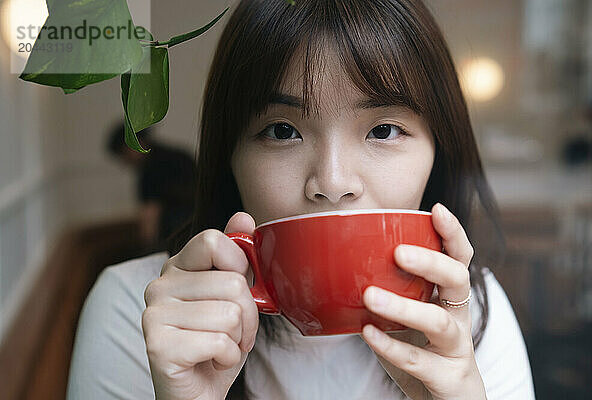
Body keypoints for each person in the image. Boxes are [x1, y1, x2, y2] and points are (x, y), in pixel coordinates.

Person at [67, 0, 536, 399]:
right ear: (228, 155)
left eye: (383, 130)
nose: (331, 182)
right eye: (282, 131)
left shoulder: (473, 313)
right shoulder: (139, 310)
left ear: (440, 152)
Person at [106, 124, 195, 251]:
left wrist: (148, 249)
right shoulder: (181, 155)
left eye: (123, 155)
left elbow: (150, 215)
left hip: (175, 237)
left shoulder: (148, 171)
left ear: (134, 145)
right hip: (201, 228)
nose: (125, 163)